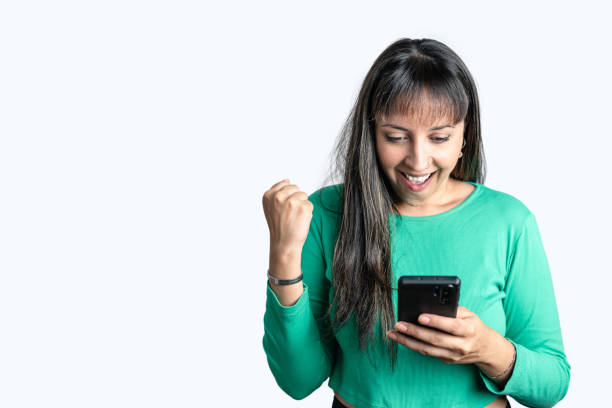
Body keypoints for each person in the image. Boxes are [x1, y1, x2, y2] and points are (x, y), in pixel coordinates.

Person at [261, 38, 570, 408]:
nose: (418, 161)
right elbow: (298, 381)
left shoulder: (508, 221)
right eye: (395, 137)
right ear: (371, 135)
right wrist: (283, 255)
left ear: (464, 136)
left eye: (439, 137)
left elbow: (553, 384)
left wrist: (490, 350)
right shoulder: (326, 214)